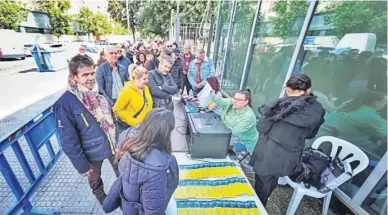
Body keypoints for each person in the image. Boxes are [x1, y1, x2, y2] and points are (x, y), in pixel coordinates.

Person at [249, 74, 325, 207]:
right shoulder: (317, 109)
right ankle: (262, 202)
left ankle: (258, 207)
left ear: (288, 89)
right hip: (290, 156)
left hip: (269, 151)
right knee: (272, 179)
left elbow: (261, 127)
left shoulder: (277, 106)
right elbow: (310, 134)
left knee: (262, 183)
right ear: (308, 90)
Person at [54, 54, 119, 205]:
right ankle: (104, 201)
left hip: (110, 144)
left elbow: (111, 119)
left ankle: (124, 197)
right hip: (90, 153)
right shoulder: (65, 103)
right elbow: (68, 140)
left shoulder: (97, 92)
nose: (90, 78)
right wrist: (81, 166)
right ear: (74, 77)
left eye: (92, 73)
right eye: (85, 75)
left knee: (123, 174)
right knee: (95, 181)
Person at [102, 108, 179, 215]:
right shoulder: (157, 167)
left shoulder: (127, 137)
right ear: (166, 132)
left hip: (128, 202)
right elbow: (153, 210)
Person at [211, 89, 258, 153]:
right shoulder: (232, 102)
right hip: (227, 132)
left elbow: (233, 132)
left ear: (246, 102)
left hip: (242, 141)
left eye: (239, 100)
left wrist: (215, 134)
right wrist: (214, 96)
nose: (235, 101)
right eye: (234, 98)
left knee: (216, 145)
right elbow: (221, 101)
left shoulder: (248, 117)